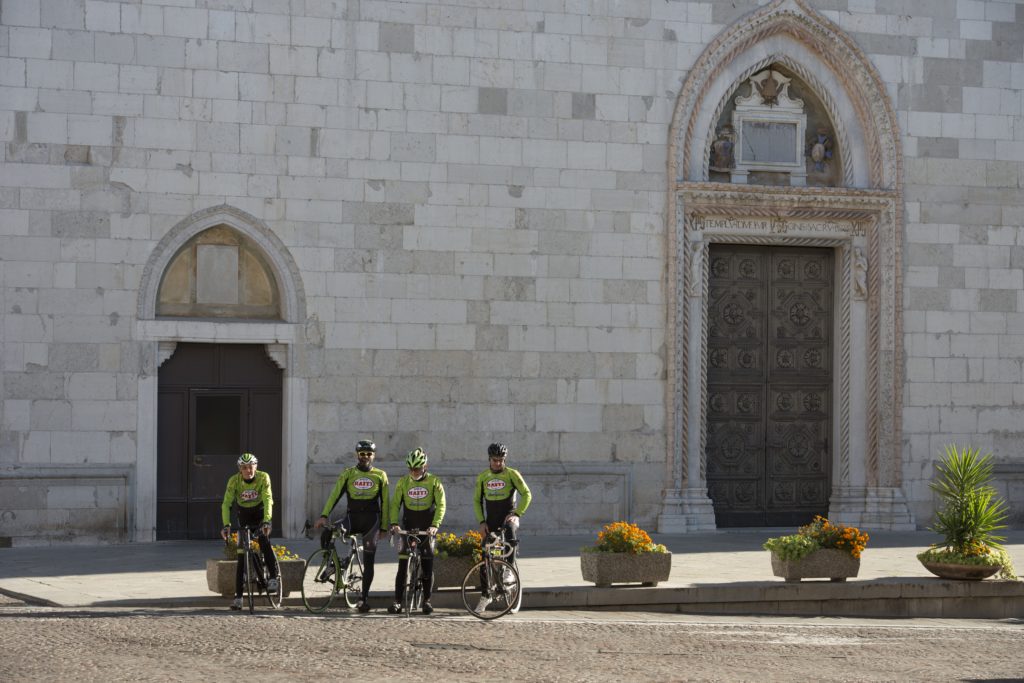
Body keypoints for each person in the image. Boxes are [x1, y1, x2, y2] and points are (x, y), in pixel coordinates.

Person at [313, 438, 389, 613]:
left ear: (373, 456)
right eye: (362, 454)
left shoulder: (380, 475)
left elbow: (385, 502)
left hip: (372, 522)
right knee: (328, 532)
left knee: (369, 562)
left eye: (369, 454)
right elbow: (334, 495)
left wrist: (384, 527)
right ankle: (331, 564)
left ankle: (364, 599)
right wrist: (324, 516)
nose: (365, 457)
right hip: (351, 519)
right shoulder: (348, 474)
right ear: (357, 455)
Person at [473, 442, 532, 611]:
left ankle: (510, 569)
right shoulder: (483, 477)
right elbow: (477, 501)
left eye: (501, 460)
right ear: (489, 459)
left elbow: (527, 494)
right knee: (485, 555)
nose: (498, 463)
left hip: (509, 517)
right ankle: (485, 595)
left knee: (510, 530)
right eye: (495, 460)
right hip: (491, 520)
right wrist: (481, 522)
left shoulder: (512, 474)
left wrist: (517, 513)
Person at [388, 447, 446, 615]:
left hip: (427, 528)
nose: (414, 472)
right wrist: (394, 523)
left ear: (425, 466)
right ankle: (397, 602)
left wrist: (435, 525)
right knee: (402, 565)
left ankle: (427, 600)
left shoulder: (434, 482)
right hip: (409, 525)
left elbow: (441, 505)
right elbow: (395, 505)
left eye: (417, 469)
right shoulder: (403, 482)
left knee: (427, 564)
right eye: (411, 469)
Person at [220, 452, 280, 610]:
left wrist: (267, 521)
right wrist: (226, 525)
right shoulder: (234, 481)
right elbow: (226, 504)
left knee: (264, 540)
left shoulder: (263, 477)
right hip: (244, 515)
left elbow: (268, 498)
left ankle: (273, 577)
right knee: (241, 555)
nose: (248, 470)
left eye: (251, 467)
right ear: (240, 469)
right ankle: (238, 598)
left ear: (256, 466)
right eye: (245, 468)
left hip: (260, 513)